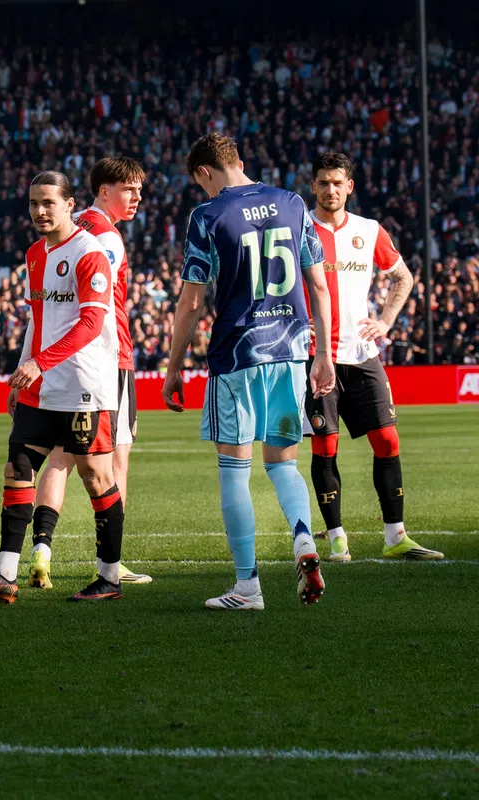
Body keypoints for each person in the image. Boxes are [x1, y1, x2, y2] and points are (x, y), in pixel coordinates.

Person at [162, 132, 335, 611]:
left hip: (237, 355)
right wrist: (322, 354)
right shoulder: (293, 203)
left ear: (204, 172)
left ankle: (248, 586)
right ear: (238, 159)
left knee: (234, 471)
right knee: (283, 465)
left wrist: (174, 368)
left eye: (199, 182)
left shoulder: (208, 215)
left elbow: (191, 303)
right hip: (291, 351)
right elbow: (319, 285)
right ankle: (304, 540)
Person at [0, 171, 126, 604]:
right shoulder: (34, 254)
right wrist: (21, 374)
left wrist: (40, 362)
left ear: (70, 204)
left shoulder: (90, 253)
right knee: (18, 466)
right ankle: (5, 574)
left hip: (84, 384)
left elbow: (92, 323)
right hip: (41, 383)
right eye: (33, 203)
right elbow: (38, 320)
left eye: (48, 202)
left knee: (96, 476)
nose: (39, 211)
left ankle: (109, 577)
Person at [302, 153, 442, 562]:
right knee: (325, 446)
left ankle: (396, 535)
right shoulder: (298, 229)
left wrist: (385, 321)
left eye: (337, 182)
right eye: (323, 182)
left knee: (388, 439)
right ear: (313, 186)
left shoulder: (369, 230)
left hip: (362, 354)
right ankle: (337, 538)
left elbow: (403, 277)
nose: (330, 189)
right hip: (315, 356)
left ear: (349, 187)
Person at [27, 157, 152, 591]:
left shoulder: (70, 226)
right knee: (113, 462)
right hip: (106, 360)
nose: (137, 197)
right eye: (129, 189)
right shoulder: (106, 238)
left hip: (59, 359)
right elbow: (97, 310)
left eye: (139, 190)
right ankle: (111, 564)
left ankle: (42, 552)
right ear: (104, 191)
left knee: (60, 456)